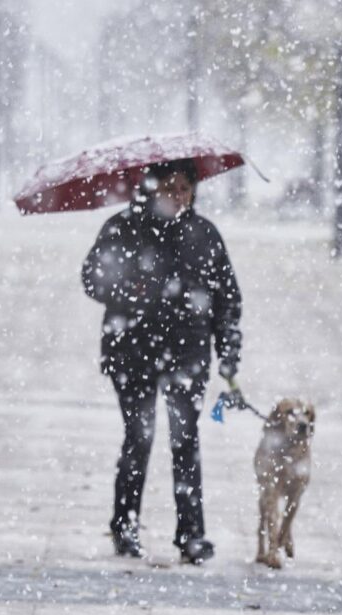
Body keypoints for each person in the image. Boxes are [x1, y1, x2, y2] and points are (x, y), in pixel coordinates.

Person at [81, 159, 243, 564]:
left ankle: (192, 535)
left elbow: (227, 298)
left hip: (187, 354)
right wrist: (130, 289)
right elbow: (91, 277)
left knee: (185, 440)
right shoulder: (123, 227)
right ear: (150, 187)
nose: (178, 194)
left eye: (185, 187)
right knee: (139, 436)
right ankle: (125, 525)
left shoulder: (204, 234)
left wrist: (228, 354)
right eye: (169, 186)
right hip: (131, 350)